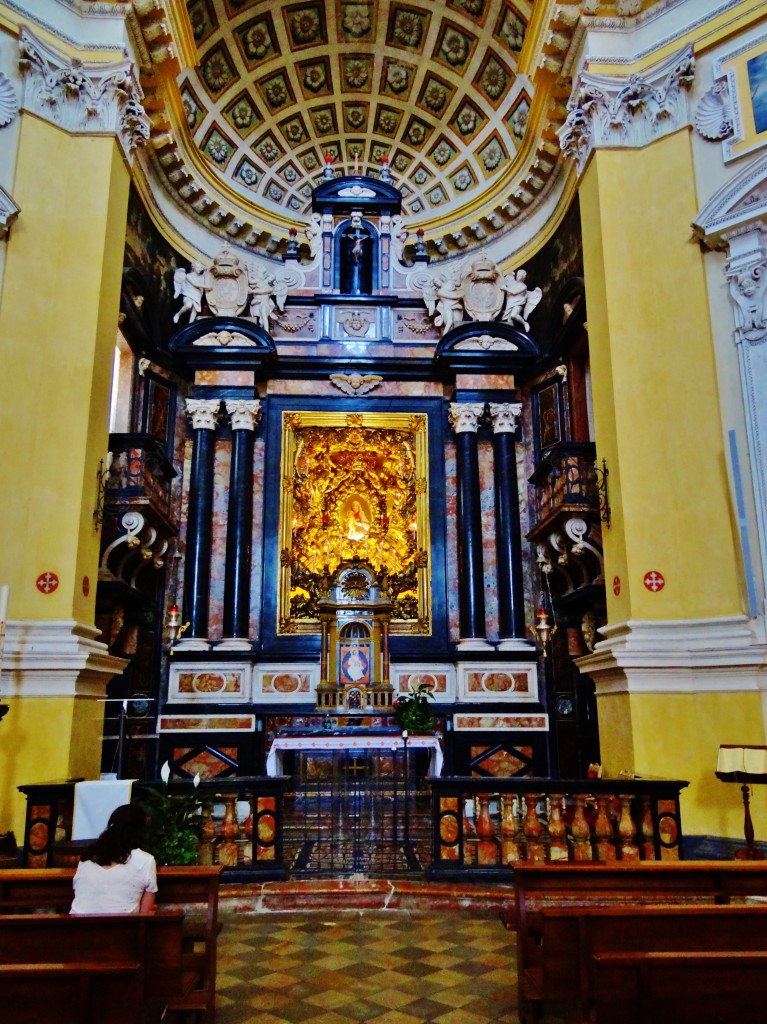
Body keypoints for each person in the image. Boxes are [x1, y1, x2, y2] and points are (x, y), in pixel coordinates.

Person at [70, 803, 157, 915]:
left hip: (76, 929)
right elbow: (145, 915)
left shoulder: (87, 858)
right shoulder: (145, 860)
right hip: (121, 930)